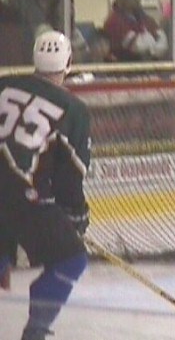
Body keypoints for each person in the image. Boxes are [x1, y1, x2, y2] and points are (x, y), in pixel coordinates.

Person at [0, 31, 90, 339]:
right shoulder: (73, 109)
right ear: (68, 63)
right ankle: (36, 332)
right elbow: (70, 177)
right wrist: (76, 215)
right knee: (72, 258)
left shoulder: (3, 85)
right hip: (20, 196)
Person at [103, 0, 169, 61]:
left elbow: (163, 41)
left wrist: (150, 47)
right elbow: (138, 46)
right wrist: (153, 44)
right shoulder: (113, 21)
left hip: (149, 67)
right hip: (126, 67)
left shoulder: (147, 18)